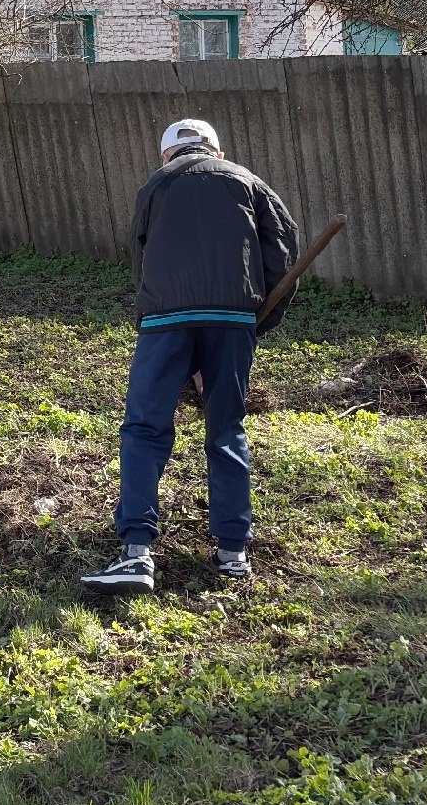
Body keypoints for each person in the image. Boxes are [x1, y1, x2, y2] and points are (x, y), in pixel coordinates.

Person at [81, 117, 297, 592]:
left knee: (144, 427)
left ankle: (137, 552)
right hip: (232, 321)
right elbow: (282, 254)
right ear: (217, 151)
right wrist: (258, 322)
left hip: (165, 322)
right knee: (226, 428)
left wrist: (152, 319)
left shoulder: (154, 188)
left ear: (166, 156)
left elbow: (140, 262)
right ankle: (233, 553)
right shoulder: (250, 183)